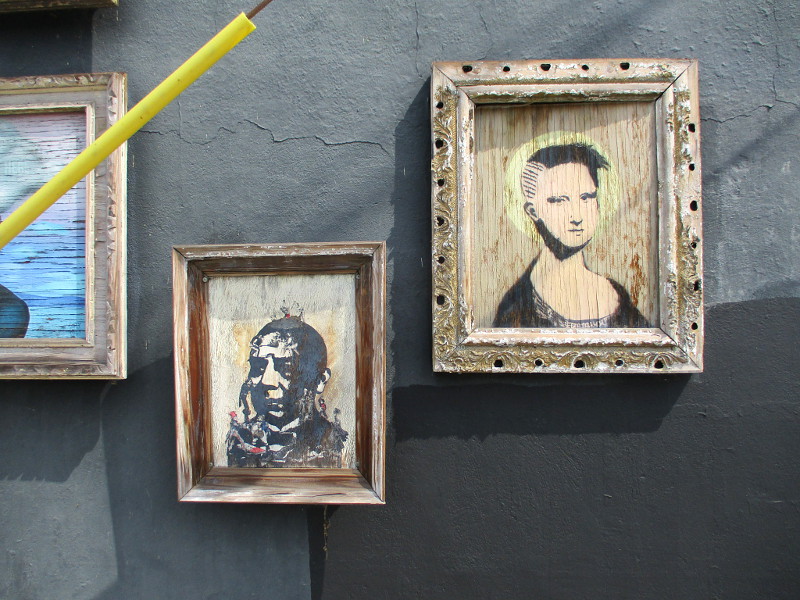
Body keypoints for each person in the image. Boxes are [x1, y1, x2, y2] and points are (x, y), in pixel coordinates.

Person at [494, 141, 649, 328]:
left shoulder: (616, 295)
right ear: (533, 212)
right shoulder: (517, 306)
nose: (576, 216)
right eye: (559, 201)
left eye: (585, 198)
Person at [226, 314, 348, 468]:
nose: (267, 382)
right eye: (258, 367)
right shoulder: (240, 442)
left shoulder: (333, 444)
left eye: (286, 368)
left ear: (320, 381)